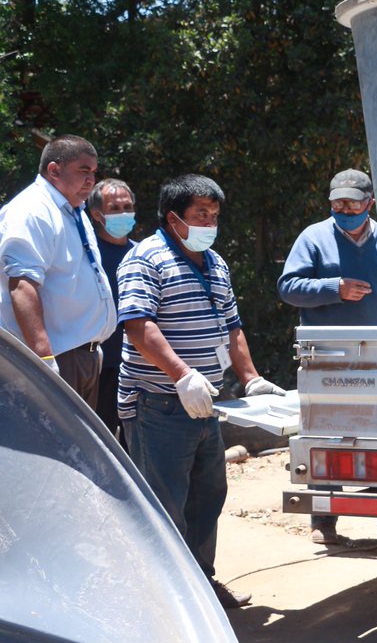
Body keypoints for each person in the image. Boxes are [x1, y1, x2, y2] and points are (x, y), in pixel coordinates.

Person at [117, 174, 287, 609]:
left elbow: (231, 325)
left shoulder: (214, 262)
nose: (210, 222)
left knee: (207, 498)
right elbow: (139, 326)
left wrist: (251, 378)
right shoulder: (145, 259)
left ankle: (200, 584)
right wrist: (180, 374)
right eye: (201, 215)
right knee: (164, 504)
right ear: (174, 218)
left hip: (204, 405)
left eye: (214, 215)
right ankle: (163, 602)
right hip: (159, 405)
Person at [277, 168, 377, 545]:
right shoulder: (314, 238)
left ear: (370, 204)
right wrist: (334, 288)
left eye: (352, 202)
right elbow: (288, 287)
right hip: (329, 356)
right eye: (337, 203)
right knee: (328, 434)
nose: (344, 209)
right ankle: (324, 520)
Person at [0, 135, 116, 407]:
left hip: (82, 357)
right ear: (54, 170)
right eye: (83, 171)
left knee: (80, 449)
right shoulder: (32, 210)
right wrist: (44, 361)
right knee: (47, 448)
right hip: (55, 359)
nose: (91, 180)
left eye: (94, 173)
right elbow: (22, 286)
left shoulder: (72, 210)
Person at [88, 178, 139, 445]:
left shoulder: (141, 253)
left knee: (137, 447)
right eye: (115, 207)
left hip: (140, 367)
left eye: (127, 206)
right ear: (97, 214)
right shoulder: (89, 254)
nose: (123, 213)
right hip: (102, 367)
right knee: (102, 442)